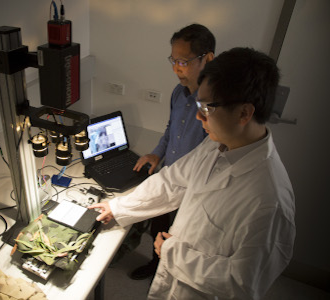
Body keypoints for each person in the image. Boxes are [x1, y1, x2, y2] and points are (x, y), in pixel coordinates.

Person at [90, 47, 296, 300]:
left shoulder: (270, 201)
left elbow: (243, 282)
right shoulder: (216, 144)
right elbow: (171, 183)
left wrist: (173, 253)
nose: (198, 116)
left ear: (244, 113)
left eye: (207, 108)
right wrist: (119, 207)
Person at [129, 23, 215, 280]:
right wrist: (157, 153)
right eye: (173, 60)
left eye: (184, 61)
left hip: (194, 188)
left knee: (180, 239)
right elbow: (170, 130)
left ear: (207, 59)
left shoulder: (213, 103)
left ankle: (170, 276)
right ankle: (155, 266)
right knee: (159, 226)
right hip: (170, 176)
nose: (176, 67)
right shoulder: (178, 93)